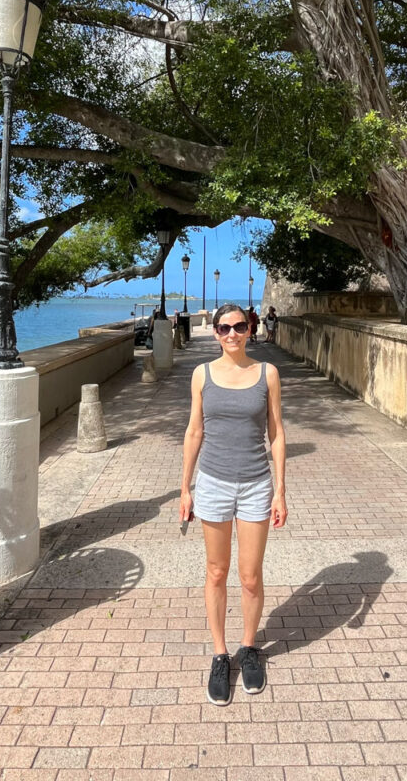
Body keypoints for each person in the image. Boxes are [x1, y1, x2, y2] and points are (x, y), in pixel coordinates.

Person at [180, 303, 287, 706]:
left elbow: (276, 433)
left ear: (249, 329)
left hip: (257, 484)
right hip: (212, 483)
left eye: (239, 326)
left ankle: (249, 647)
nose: (231, 334)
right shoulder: (202, 375)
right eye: (224, 328)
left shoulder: (267, 374)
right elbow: (194, 432)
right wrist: (185, 488)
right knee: (216, 571)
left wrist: (280, 490)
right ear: (215, 332)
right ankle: (220, 654)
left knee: (250, 576)